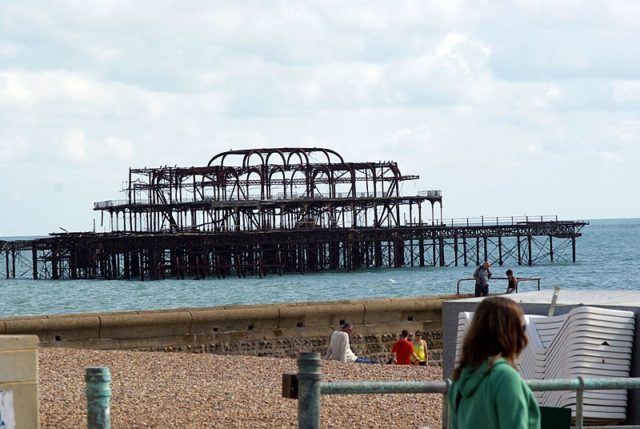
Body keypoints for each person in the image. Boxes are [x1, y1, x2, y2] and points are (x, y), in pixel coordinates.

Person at [448, 296, 540, 429]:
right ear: (510, 332)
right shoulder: (506, 378)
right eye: (523, 327)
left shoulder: (460, 380)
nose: (525, 336)